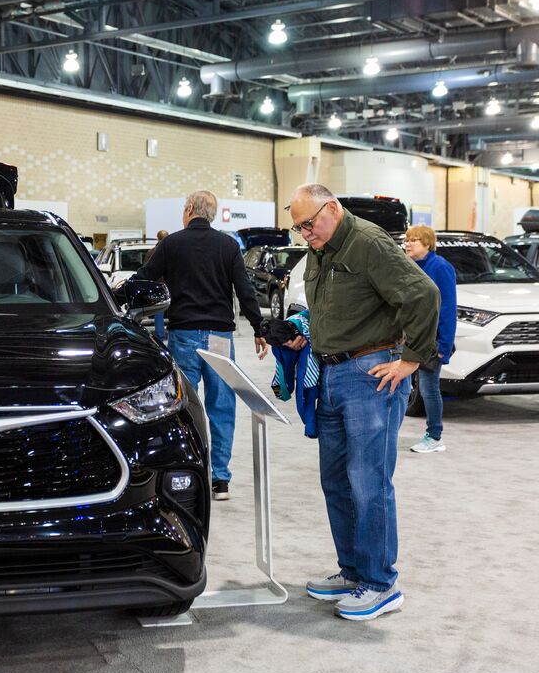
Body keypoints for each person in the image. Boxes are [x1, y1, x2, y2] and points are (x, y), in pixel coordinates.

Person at [288, 184, 439, 621]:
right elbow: (336, 307)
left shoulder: (368, 242)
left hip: (370, 375)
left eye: (309, 223)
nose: (305, 233)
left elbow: (423, 294)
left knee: (369, 482)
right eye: (299, 226)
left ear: (331, 208)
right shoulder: (321, 251)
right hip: (333, 373)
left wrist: (411, 360)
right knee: (336, 480)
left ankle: (379, 583)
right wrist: (306, 332)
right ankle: (353, 571)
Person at [132, 191, 266, 501]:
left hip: (184, 335)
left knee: (183, 407)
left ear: (190, 210)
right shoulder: (228, 245)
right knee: (222, 405)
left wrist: (116, 299)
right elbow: (245, 291)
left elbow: (144, 279)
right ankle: (220, 479)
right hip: (220, 337)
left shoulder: (172, 243)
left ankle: (187, 472)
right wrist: (259, 327)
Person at [404, 225, 457, 454]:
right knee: (405, 387)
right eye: (406, 240)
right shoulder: (411, 266)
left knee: (428, 388)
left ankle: (435, 436)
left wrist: (444, 345)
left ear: (427, 244)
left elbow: (448, 309)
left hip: (432, 341)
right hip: (411, 338)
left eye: (413, 241)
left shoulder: (440, 267)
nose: (407, 244)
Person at [148, 229, 169, 341]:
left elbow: (148, 270)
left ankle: (160, 335)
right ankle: (170, 334)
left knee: (158, 313)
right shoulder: (172, 251)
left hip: (157, 287)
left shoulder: (151, 252)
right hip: (171, 285)